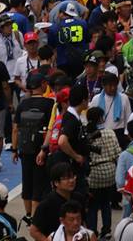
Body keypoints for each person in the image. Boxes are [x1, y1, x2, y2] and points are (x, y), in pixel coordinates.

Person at [12, 70, 55, 220]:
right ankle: (36, 218)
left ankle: (28, 214)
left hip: (25, 149)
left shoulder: (23, 104)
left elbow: (16, 128)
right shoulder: (50, 104)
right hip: (40, 149)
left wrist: (14, 149)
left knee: (27, 181)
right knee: (39, 182)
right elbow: (52, 127)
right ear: (43, 84)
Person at [85, 106, 121, 241]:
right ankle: (106, 230)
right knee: (106, 203)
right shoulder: (110, 132)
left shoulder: (87, 135)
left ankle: (92, 230)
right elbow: (118, 152)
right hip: (110, 172)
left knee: (93, 205)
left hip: (94, 173)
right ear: (101, 118)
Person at [30, 164, 85, 241]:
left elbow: (83, 222)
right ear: (56, 182)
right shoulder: (47, 204)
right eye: (66, 178)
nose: (71, 181)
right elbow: (34, 231)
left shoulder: (79, 198)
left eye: (72, 177)